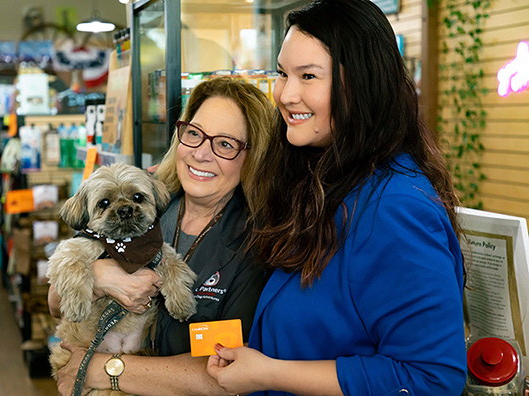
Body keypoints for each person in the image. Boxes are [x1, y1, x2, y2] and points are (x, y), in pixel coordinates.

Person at [206, 1, 467, 396]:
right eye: (282, 73)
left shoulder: (397, 207)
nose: (287, 94)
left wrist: (269, 373)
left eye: (308, 76)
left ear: (361, 83)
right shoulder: (324, 178)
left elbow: (430, 378)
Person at [48, 76, 276, 395]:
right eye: (194, 134)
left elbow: (229, 374)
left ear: (252, 156)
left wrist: (104, 369)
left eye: (225, 144)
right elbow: (56, 305)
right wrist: (98, 279)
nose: (201, 154)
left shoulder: (257, 244)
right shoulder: (150, 194)